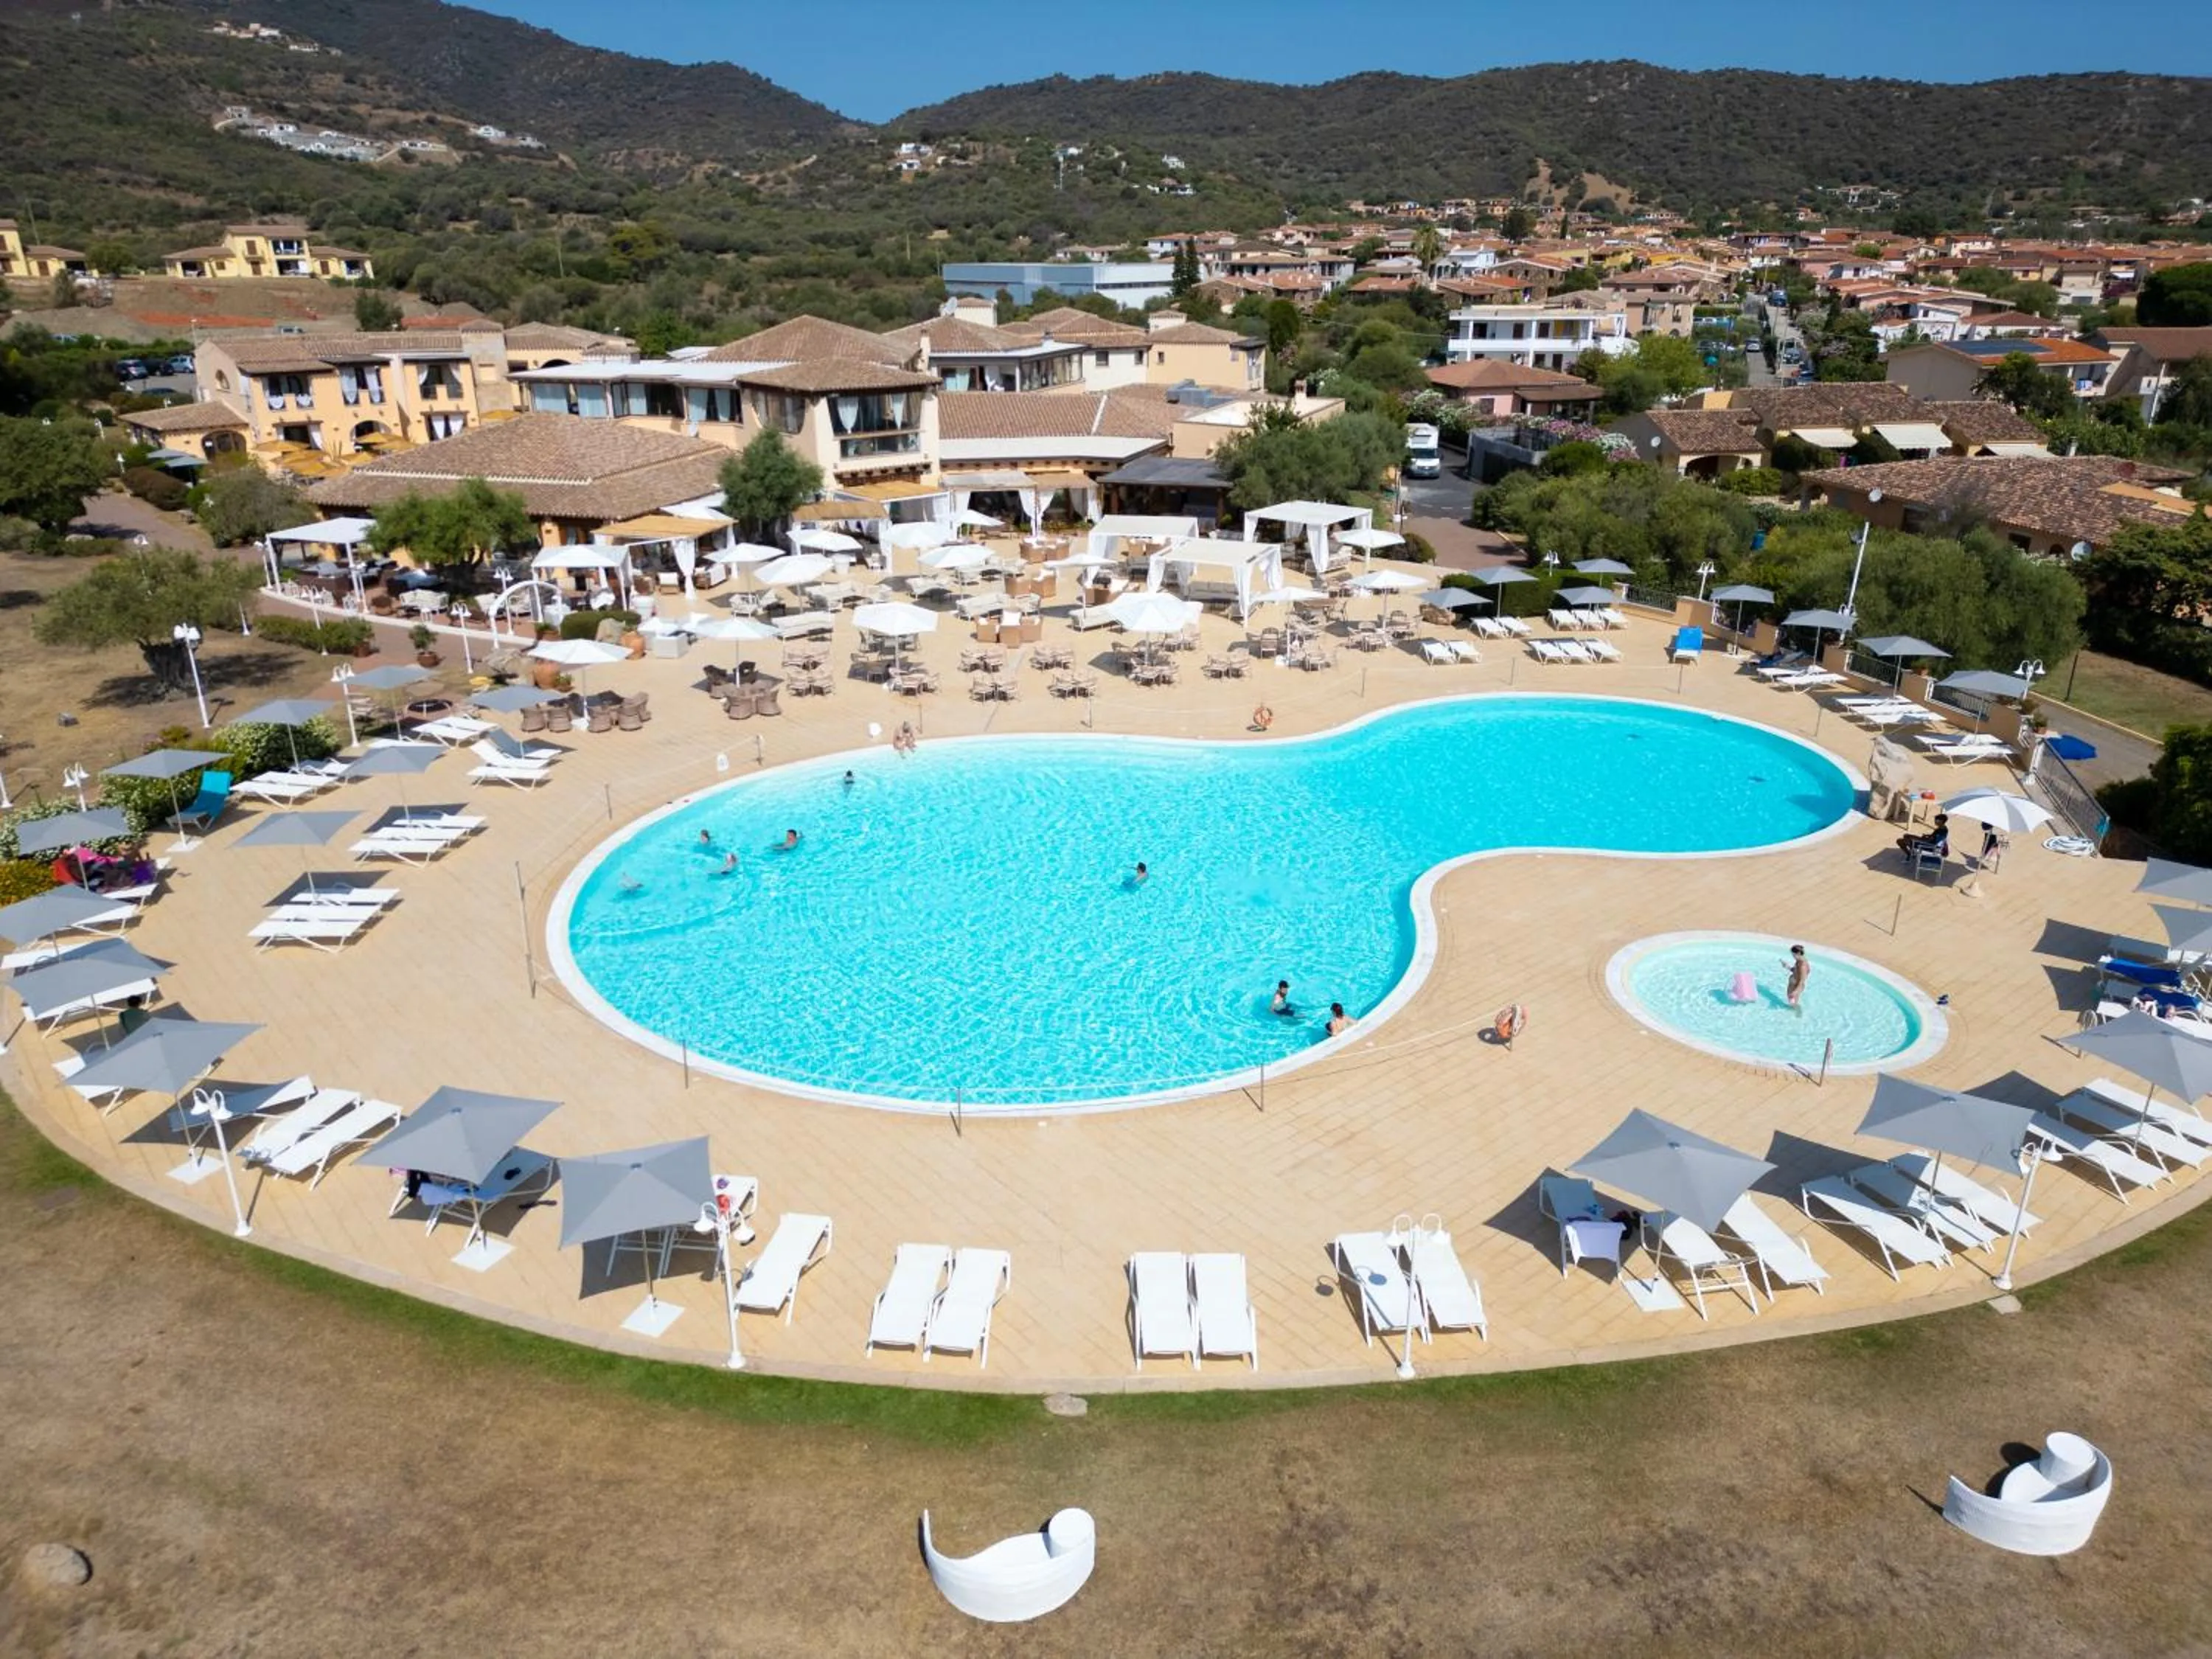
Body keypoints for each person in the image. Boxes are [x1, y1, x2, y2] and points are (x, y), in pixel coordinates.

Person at [1784, 944, 1811, 1012]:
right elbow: (1796, 971)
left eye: (1793, 955)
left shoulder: (1803, 966)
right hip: (1793, 984)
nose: (1793, 957)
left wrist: (1795, 991)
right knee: (1791, 1002)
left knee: (1794, 1004)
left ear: (1798, 953)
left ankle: (1797, 1014)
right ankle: (1793, 1011)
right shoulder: (1799, 961)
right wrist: (1788, 967)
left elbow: (1802, 980)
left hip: (1796, 986)